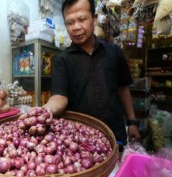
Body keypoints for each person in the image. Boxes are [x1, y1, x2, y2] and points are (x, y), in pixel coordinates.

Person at [23, 0, 141, 145]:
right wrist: (42, 112)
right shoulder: (61, 60)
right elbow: (59, 97)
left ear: (94, 19)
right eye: (70, 22)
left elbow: (123, 89)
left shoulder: (114, 52)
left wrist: (132, 122)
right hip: (80, 139)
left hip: (115, 134)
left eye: (82, 19)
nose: (76, 27)